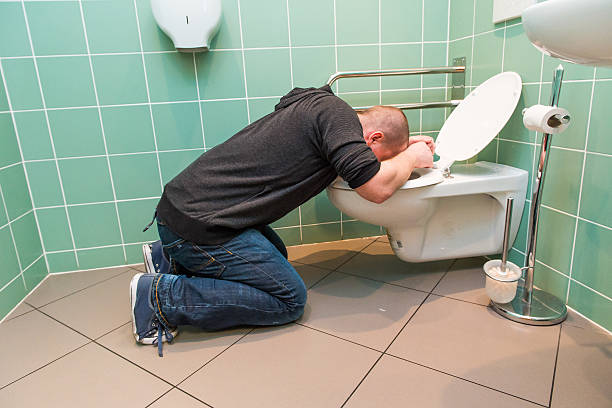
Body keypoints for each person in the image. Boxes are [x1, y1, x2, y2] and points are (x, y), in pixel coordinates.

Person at [129, 85, 435, 356]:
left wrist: (401, 149)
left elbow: (353, 157)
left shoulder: (322, 109)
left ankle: (168, 257)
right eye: (379, 157)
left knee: (278, 258)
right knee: (288, 298)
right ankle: (159, 298)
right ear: (373, 138)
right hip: (200, 226)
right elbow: (376, 188)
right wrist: (409, 159)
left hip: (187, 209)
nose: (373, 164)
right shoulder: (338, 121)